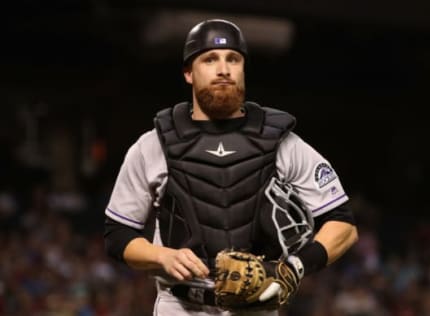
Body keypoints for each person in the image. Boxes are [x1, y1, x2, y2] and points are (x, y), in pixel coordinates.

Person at [104, 18, 358, 316]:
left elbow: (343, 224)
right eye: (210, 59)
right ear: (188, 73)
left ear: (243, 70)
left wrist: (295, 267)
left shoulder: (281, 142)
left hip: (256, 308)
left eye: (233, 59)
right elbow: (118, 234)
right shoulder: (152, 146)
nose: (224, 69)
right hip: (181, 306)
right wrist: (162, 256)